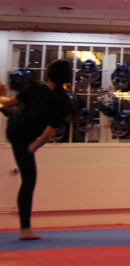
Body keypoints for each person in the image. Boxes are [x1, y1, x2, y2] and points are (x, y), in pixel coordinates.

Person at [1, 60, 76, 240]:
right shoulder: (62, 102)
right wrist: (33, 148)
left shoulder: (36, 87)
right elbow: (47, 135)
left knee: (13, 111)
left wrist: (2, 96)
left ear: (48, 74)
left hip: (17, 128)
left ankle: (25, 229)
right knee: (29, 180)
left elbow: (9, 103)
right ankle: (25, 230)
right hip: (21, 134)